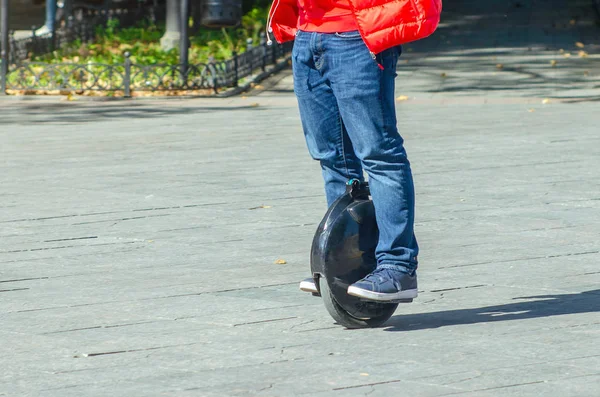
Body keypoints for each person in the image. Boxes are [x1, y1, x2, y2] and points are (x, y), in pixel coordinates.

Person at [267, 0, 441, 301]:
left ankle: (397, 265)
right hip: (308, 36)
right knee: (333, 158)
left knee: (379, 153)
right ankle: (347, 260)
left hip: (356, 36)